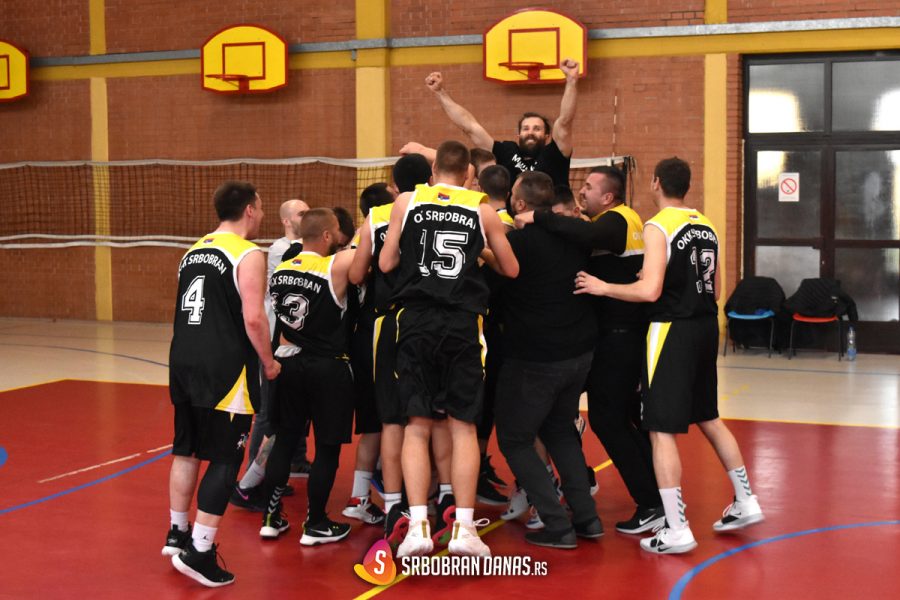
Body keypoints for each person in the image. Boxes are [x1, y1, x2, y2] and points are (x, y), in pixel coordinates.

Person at [574, 157, 765, 554]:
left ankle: (676, 528)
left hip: (671, 330)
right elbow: (715, 290)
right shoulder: (706, 224)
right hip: (706, 326)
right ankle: (746, 500)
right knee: (709, 417)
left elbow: (649, 292)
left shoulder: (658, 225)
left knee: (660, 428)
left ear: (656, 182)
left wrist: (602, 286)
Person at [379, 140, 519, 558]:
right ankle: (463, 528)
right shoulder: (482, 208)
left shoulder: (406, 201)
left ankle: (417, 527)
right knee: (463, 427)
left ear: (433, 168)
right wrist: (480, 250)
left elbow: (386, 264)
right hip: (461, 322)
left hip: (415, 320)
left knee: (416, 425)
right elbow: (511, 269)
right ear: (470, 174)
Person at [518, 166, 665, 535]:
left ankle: (651, 501)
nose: (582, 192)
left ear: (609, 197)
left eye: (588, 187)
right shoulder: (610, 223)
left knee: (608, 419)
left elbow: (590, 233)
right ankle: (657, 495)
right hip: (613, 338)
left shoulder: (619, 220)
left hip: (621, 338)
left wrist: (540, 217)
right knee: (619, 419)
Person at [164, 181, 281, 587]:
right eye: (260, 207)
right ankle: (199, 551)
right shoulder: (247, 253)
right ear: (249, 209)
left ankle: (177, 533)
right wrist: (268, 362)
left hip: (183, 359)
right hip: (225, 367)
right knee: (226, 459)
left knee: (187, 449)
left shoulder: (192, 251)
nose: (261, 214)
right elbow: (254, 317)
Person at [493, 171, 602, 549]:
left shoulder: (517, 244)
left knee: (514, 439)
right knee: (560, 431)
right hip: (577, 353)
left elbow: (496, 281)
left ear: (520, 204)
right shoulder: (574, 238)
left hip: (535, 356)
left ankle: (556, 524)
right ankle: (587, 518)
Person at [259, 208, 358, 546]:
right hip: (326, 367)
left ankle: (270, 518)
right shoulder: (335, 265)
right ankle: (315, 522)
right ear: (329, 235)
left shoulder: (281, 269)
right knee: (327, 447)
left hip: (288, 363)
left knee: (285, 440)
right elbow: (366, 255)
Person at [350, 156, 435, 545]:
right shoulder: (448, 208)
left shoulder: (378, 216)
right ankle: (439, 496)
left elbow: (356, 274)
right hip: (432, 319)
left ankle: (394, 505)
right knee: (432, 416)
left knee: (391, 418)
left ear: (395, 185)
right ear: (430, 178)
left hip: (387, 320)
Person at [233, 198, 310, 511]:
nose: (307, 217)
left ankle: (297, 459)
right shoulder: (281, 249)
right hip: (273, 341)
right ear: (287, 221)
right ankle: (253, 476)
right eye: (302, 213)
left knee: (296, 406)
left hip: (291, 343)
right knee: (267, 412)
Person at [424, 59, 580, 187]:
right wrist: (440, 92)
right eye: (525, 128)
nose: (530, 132)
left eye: (537, 128)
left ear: (547, 136)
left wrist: (571, 81)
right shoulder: (506, 151)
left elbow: (565, 121)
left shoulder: (555, 153)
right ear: (518, 135)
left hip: (549, 216)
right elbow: (470, 127)